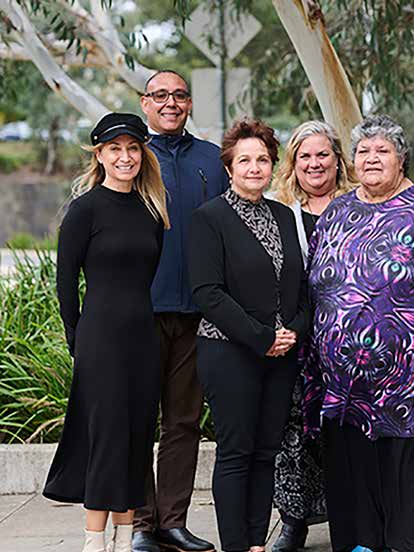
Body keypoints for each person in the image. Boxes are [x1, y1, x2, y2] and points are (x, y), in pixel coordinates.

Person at [304, 115, 414, 552]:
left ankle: (411, 543)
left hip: (412, 381)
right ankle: (362, 542)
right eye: (363, 151)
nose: (371, 159)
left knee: (410, 478)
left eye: (382, 150)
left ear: (401, 159)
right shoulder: (339, 210)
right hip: (344, 383)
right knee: (354, 475)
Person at [43, 113, 170, 552]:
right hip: (100, 340)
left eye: (133, 148)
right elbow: (65, 282)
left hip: (142, 338)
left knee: (137, 437)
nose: (125, 156)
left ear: (142, 154)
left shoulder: (152, 210)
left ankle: (124, 537)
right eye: (115, 148)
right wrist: (76, 335)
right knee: (107, 436)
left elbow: (145, 275)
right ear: (99, 154)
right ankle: (93, 543)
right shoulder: (84, 209)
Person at [188, 118, 310, 552]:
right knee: (237, 452)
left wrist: (293, 331)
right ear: (229, 168)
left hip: (282, 354)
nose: (254, 167)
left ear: (273, 166)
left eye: (262, 159)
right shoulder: (209, 219)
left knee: (266, 452)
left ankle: (257, 542)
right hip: (230, 351)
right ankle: (236, 545)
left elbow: (302, 285)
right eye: (245, 160)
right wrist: (262, 337)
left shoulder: (283, 215)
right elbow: (208, 292)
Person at [134, 70, 227, 552]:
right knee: (137, 419)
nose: (171, 103)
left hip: (197, 313)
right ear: (144, 102)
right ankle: (141, 524)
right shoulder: (131, 158)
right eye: (160, 95)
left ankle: (172, 521)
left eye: (179, 95)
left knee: (183, 421)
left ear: (189, 103)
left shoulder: (212, 160)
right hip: (140, 313)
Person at [270, 120, 355, 552]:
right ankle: (293, 522)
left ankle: (352, 521)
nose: (314, 163)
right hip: (297, 340)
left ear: (338, 160)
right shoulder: (279, 210)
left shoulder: (357, 207)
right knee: (295, 433)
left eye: (323, 154)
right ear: (293, 163)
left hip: (351, 340)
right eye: (305, 156)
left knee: (345, 432)